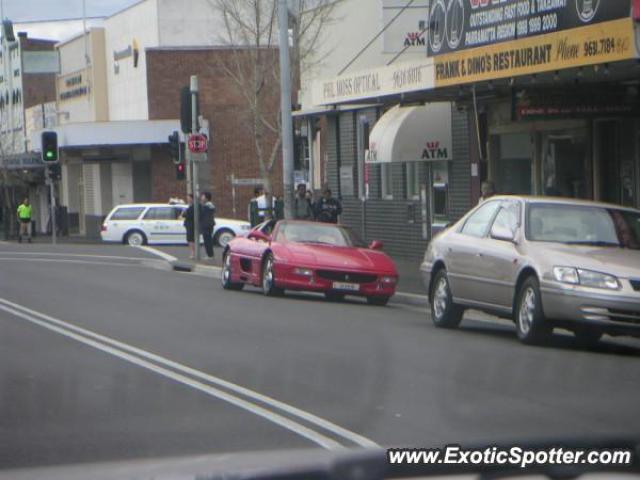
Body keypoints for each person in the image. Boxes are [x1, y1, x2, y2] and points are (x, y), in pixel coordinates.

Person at [200, 192, 216, 260]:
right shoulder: (209, 206)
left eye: (203, 196)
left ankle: (210, 255)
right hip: (208, 225)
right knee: (208, 240)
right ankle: (210, 254)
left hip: (207, 225)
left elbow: (203, 215)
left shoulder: (207, 206)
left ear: (206, 198)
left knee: (207, 240)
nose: (201, 198)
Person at [182, 194, 196, 259]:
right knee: (189, 239)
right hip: (189, 224)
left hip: (191, 224)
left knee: (191, 239)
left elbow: (189, 215)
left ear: (192, 199)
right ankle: (192, 252)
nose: (187, 199)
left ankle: (193, 253)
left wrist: (184, 214)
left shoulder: (193, 207)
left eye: (188, 198)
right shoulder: (190, 206)